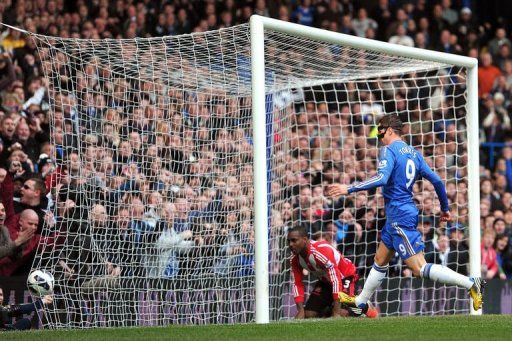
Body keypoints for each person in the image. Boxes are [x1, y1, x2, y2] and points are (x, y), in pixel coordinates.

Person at [326, 114, 484, 313]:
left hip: (399, 215)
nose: (379, 134)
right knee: (380, 259)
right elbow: (436, 180)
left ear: (391, 130)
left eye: (381, 130)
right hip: (398, 213)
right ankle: (361, 303)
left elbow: (382, 178)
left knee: (418, 268)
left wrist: (349, 189)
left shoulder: (388, 150)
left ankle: (471, 283)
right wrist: (445, 208)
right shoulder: (414, 153)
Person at [287, 225, 377, 319]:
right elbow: (297, 283)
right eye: (289, 241)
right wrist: (300, 310)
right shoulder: (294, 259)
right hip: (326, 281)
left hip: (345, 276)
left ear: (305, 240)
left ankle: (364, 307)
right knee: (309, 314)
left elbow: (336, 279)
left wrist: (336, 311)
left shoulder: (320, 251)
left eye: (294, 240)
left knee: (342, 312)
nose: (290, 244)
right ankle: (331, 307)